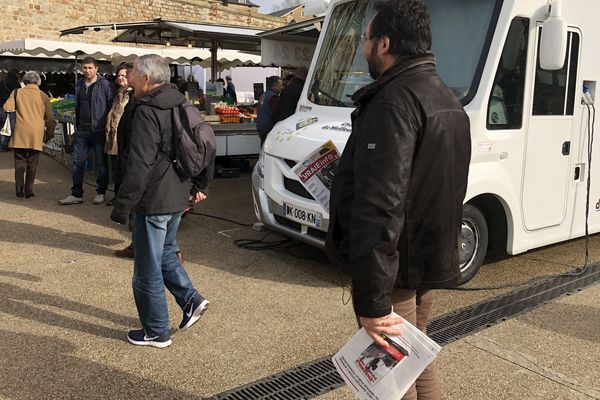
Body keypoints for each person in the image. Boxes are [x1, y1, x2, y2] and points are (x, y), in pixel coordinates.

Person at [324, 1, 471, 399]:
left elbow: (379, 206)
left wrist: (372, 300)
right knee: (416, 363)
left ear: (384, 43)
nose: (363, 46)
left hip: (394, 271)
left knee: (391, 379)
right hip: (426, 260)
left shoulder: (393, 103)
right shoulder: (447, 98)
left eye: (366, 39)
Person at [111, 54, 210, 348]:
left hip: (154, 198)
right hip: (177, 193)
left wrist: (122, 205)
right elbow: (203, 143)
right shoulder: (181, 102)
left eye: (132, 73)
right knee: (166, 253)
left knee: (147, 268)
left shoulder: (146, 109)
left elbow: (139, 163)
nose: (128, 77)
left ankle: (155, 331)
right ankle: (191, 300)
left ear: (147, 78)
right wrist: (200, 184)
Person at [59, 57, 115, 205]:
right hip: (82, 129)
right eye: (85, 68)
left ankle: (101, 192)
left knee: (100, 163)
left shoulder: (105, 85)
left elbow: (111, 107)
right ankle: (76, 193)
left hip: (98, 130)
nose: (87, 71)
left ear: (96, 69)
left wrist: (107, 127)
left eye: (90, 68)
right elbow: (78, 105)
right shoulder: (79, 85)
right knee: (78, 162)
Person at [2, 71, 56, 198]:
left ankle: (19, 187)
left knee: (19, 160)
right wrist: (50, 133)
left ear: (24, 81)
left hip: (20, 131)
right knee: (33, 162)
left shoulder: (17, 93)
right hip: (36, 133)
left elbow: (7, 107)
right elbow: (50, 118)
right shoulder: (43, 96)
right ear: (38, 81)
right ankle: (29, 189)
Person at [105, 63, 133, 206]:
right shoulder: (118, 93)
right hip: (114, 135)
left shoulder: (132, 94)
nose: (121, 78)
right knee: (117, 168)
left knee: (123, 168)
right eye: (119, 75)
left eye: (124, 75)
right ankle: (117, 196)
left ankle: (122, 197)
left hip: (124, 137)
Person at [256, 75, 283, 144]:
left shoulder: (264, 94)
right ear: (274, 85)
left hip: (261, 125)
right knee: (267, 147)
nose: (281, 88)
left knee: (263, 145)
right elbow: (275, 113)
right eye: (280, 85)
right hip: (268, 126)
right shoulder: (273, 97)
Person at [0, 69, 21, 152]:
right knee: (10, 126)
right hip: (10, 108)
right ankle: (4, 145)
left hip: (1, 106)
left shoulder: (2, 82)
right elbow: (19, 95)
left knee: (3, 125)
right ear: (16, 74)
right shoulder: (15, 83)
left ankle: (2, 144)